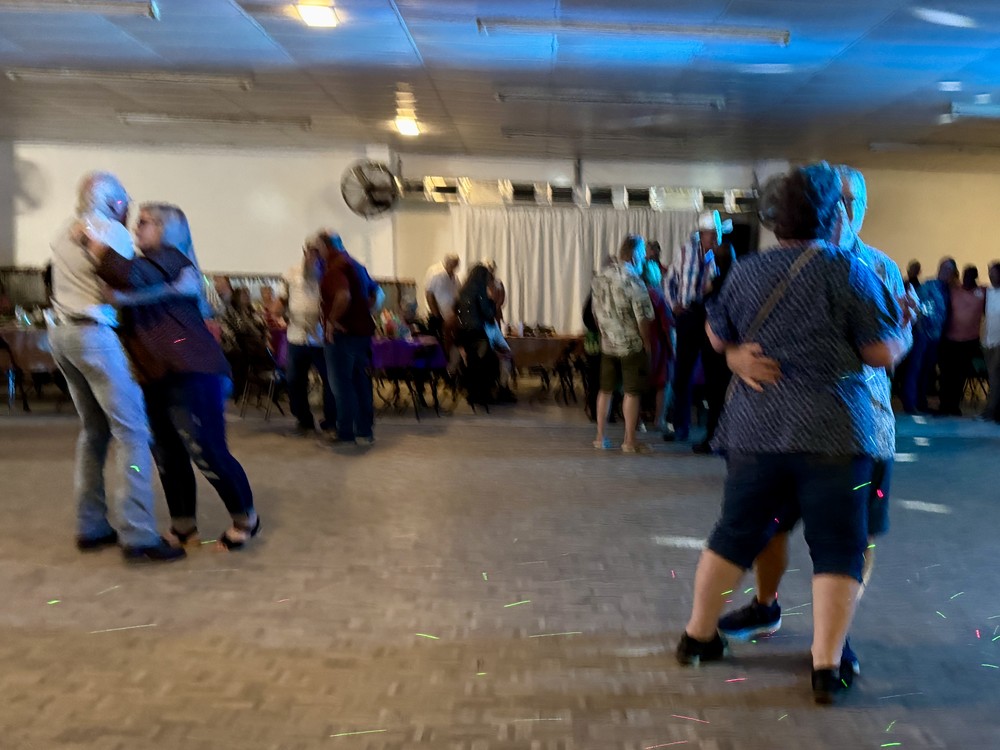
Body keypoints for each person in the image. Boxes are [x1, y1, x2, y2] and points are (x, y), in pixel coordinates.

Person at [675, 164, 907, 704]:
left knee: (733, 534)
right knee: (839, 545)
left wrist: (737, 353)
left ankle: (697, 637)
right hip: (835, 436)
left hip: (755, 432)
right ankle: (826, 665)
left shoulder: (747, 269)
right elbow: (880, 352)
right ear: (832, 215)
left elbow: (715, 333)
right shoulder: (848, 271)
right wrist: (906, 336)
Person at [87, 203, 260, 550]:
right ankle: (184, 526)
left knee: (206, 450)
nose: (136, 227)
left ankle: (246, 518)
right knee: (167, 453)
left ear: (167, 229)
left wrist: (91, 240)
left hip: (192, 369)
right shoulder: (158, 268)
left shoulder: (169, 258)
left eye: (145, 222)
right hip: (157, 373)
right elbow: (129, 287)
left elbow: (127, 276)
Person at [47, 172, 183, 562]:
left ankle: (90, 526)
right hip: (94, 337)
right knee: (133, 433)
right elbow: (125, 283)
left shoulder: (63, 229)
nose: (129, 210)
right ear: (114, 202)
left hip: (61, 335)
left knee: (94, 432)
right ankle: (138, 534)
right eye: (125, 201)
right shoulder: (112, 232)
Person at [666, 210, 732, 443]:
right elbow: (670, 279)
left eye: (718, 234)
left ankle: (714, 432)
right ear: (702, 234)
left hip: (710, 318)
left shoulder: (723, 256)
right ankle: (680, 426)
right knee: (682, 373)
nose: (715, 238)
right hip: (688, 315)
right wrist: (673, 304)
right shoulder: (685, 252)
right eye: (712, 234)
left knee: (714, 376)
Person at [591, 235, 655, 453]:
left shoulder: (601, 277)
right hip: (631, 344)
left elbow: (595, 313)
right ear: (635, 255)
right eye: (642, 255)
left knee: (605, 390)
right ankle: (629, 441)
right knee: (631, 392)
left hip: (608, 343)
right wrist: (647, 344)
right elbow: (643, 318)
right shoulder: (634, 280)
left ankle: (600, 437)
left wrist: (605, 332)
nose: (644, 259)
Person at [317, 232, 377, 445]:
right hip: (362, 334)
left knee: (342, 386)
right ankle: (364, 431)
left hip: (343, 336)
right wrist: (362, 313)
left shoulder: (335, 268)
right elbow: (376, 293)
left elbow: (343, 295)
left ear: (325, 247)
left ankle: (345, 432)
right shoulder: (356, 265)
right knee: (361, 383)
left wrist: (332, 320)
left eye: (318, 248)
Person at [283, 242, 337, 437]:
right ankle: (303, 419)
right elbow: (283, 298)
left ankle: (331, 421)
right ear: (305, 252)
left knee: (329, 381)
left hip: (320, 338)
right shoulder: (291, 273)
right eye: (310, 252)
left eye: (317, 253)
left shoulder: (328, 275)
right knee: (294, 380)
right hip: (296, 336)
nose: (312, 257)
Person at [938, 264, 985, 416]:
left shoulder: (982, 292)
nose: (966, 278)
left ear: (975, 277)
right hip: (950, 340)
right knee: (946, 374)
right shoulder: (954, 290)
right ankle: (944, 405)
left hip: (969, 342)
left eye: (970, 276)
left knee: (960, 376)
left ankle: (954, 406)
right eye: (965, 275)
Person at [455, 263, 500, 410]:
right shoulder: (480, 290)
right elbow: (487, 313)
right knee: (487, 362)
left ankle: (472, 394)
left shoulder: (462, 291)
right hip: (478, 332)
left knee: (472, 363)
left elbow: (457, 311)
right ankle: (483, 395)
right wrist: (492, 301)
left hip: (464, 333)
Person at [640, 256, 674, 435]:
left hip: (637, 344)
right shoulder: (658, 295)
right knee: (663, 384)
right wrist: (672, 348)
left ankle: (637, 421)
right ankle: (658, 420)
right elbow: (667, 326)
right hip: (657, 346)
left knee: (636, 385)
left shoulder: (636, 293)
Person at [220, 287, 269, 402]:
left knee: (258, 352)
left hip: (250, 345)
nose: (247, 297)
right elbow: (235, 329)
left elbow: (261, 326)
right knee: (239, 357)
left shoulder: (251, 311)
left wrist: (259, 323)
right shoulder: (231, 311)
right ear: (237, 297)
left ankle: (265, 382)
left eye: (248, 294)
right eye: (244, 294)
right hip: (234, 345)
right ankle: (239, 389)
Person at [425, 254, 461, 341]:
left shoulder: (455, 278)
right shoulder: (436, 274)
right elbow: (429, 295)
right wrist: (437, 316)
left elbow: (458, 295)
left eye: (456, 266)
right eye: (452, 265)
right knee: (438, 342)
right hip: (438, 316)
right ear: (447, 263)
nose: (454, 268)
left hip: (450, 318)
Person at [982, 262, 1000, 422]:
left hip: (999, 342)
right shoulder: (988, 292)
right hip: (988, 342)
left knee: (995, 378)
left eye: (994, 273)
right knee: (992, 378)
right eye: (990, 272)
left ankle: (992, 411)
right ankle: (991, 410)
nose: (991, 275)